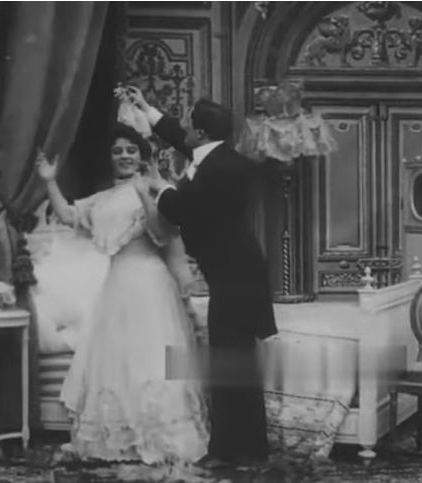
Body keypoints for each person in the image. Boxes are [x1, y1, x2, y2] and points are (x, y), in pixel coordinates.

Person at [122, 87, 278, 470]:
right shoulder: (216, 155)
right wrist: (147, 109)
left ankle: (232, 451)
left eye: (189, 123)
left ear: (202, 133)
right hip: (233, 271)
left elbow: (180, 211)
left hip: (236, 276)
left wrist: (157, 187)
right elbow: (180, 137)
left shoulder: (220, 168)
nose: (185, 128)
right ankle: (245, 449)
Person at [35, 123, 209, 465]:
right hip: (117, 285)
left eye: (131, 150)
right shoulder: (102, 199)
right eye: (117, 151)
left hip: (151, 285)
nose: (125, 156)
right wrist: (49, 180)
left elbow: (162, 234)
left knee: (153, 360)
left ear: (141, 155)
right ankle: (122, 439)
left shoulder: (156, 188)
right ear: (109, 158)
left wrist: (145, 193)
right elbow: (69, 215)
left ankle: (163, 438)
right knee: (117, 361)